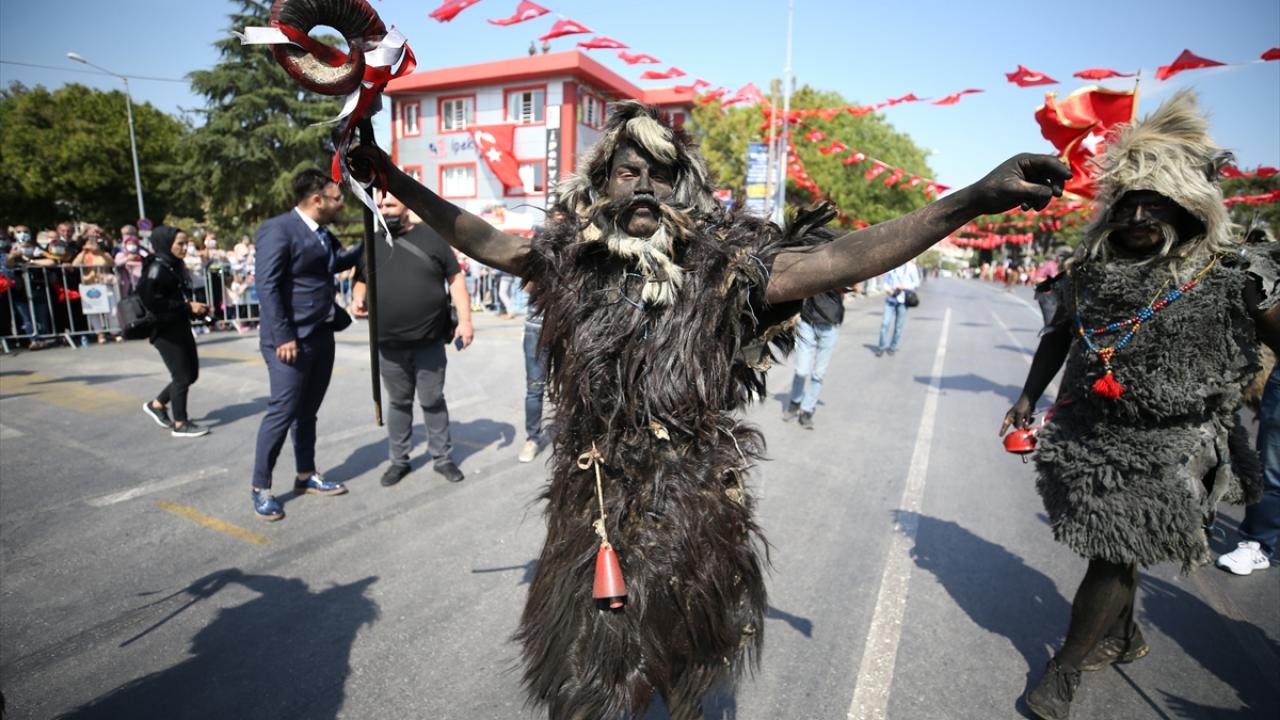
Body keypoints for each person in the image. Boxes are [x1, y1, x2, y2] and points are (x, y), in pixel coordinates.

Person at [351, 100, 1067, 718]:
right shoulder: (568, 259)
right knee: (580, 678)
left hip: (692, 503)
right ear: (600, 185)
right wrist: (387, 174)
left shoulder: (724, 269)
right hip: (591, 503)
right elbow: (485, 239)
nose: (644, 185)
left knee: (688, 667)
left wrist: (969, 198)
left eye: (660, 174)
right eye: (628, 172)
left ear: (683, 189)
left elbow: (843, 259)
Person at [998, 91, 1280, 720]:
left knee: (1113, 548)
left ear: (1187, 209)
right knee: (1106, 539)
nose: (1139, 217)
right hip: (1087, 431)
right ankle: (1122, 635)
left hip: (1172, 444)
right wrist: (1026, 398)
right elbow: (1058, 334)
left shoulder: (1228, 273)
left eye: (1156, 205)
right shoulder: (1086, 270)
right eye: (1129, 204)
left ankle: (1065, 668)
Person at [250, 169, 362, 522]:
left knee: (307, 412)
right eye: (337, 197)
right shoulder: (278, 229)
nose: (341, 203)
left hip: (320, 334)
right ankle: (260, 487)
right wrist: (283, 336)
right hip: (289, 341)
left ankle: (305, 475)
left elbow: (334, 263)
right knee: (282, 411)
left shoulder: (321, 234)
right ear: (318, 200)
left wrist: (369, 244)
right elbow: (266, 286)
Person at [350, 192, 473, 487]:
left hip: (429, 341)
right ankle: (399, 461)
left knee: (432, 400)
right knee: (399, 403)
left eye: (390, 203)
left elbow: (456, 279)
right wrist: (357, 298)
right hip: (388, 344)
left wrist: (466, 321)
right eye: (379, 205)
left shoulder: (432, 239)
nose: (384, 209)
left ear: (407, 206)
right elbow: (361, 279)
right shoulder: (371, 241)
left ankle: (442, 458)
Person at [138, 226, 210, 438]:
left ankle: (157, 404)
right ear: (165, 244)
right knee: (181, 376)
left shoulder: (173, 265)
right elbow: (151, 301)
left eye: (186, 243)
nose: (184, 247)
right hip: (164, 329)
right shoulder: (157, 267)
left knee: (191, 373)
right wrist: (187, 307)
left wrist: (193, 307)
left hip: (179, 325)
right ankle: (180, 423)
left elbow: (176, 297)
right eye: (179, 243)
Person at [783, 288, 845, 428]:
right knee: (801, 370)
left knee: (818, 374)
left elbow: (855, 286)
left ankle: (807, 411)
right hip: (808, 323)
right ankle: (795, 401)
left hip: (830, 325)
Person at [72, 235, 120, 343]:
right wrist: (84, 252)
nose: (91, 245)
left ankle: (114, 332)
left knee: (112, 310)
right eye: (89, 243)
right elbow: (75, 265)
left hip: (104, 283)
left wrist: (100, 252)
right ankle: (100, 333)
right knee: (93, 311)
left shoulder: (103, 254)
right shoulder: (83, 255)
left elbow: (111, 263)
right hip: (89, 285)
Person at [874, 259, 920, 356]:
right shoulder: (892, 265)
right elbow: (886, 282)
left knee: (898, 327)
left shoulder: (911, 267)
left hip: (903, 301)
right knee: (885, 324)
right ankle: (881, 347)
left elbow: (916, 282)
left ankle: (893, 347)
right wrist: (888, 290)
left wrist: (905, 287)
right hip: (891, 299)